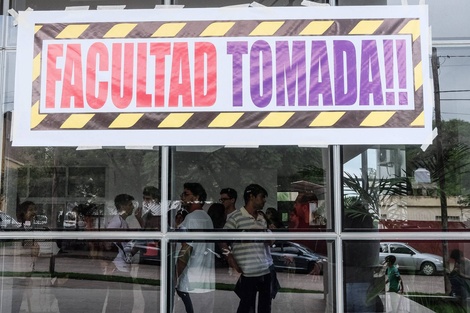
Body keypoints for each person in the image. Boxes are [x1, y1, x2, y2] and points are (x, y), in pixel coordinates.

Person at [222, 184, 272, 313]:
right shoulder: (236, 217)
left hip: (266, 270)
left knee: (265, 308)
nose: (264, 201)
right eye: (262, 197)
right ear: (251, 197)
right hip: (248, 272)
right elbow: (221, 240)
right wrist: (230, 258)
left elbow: (271, 241)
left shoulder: (262, 218)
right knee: (246, 307)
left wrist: (267, 235)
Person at [175, 182, 215, 313]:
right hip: (205, 282)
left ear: (196, 197)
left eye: (186, 194)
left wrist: (174, 276)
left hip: (190, 283)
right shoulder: (206, 218)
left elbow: (185, 251)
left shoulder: (191, 219)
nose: (182, 197)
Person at [105, 193, 136, 313]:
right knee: (117, 300)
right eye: (130, 204)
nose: (132, 207)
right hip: (117, 267)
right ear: (122, 206)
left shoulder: (123, 222)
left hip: (122, 266)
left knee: (125, 300)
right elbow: (107, 243)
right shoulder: (116, 222)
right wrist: (111, 263)